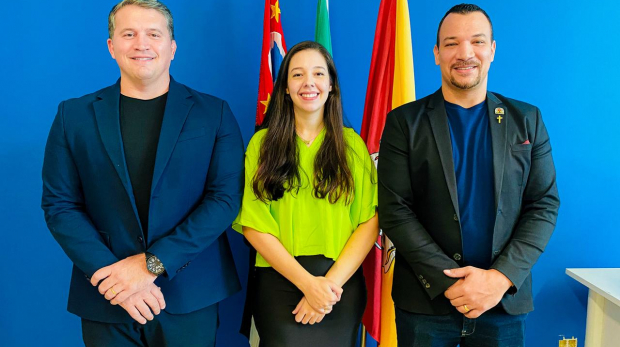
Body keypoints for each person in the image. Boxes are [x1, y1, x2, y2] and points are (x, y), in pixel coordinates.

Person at [41, 1, 244, 346]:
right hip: (107, 298)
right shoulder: (72, 116)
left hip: (189, 294)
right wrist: (117, 281)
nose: (141, 44)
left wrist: (151, 265)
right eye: (129, 34)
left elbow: (225, 199)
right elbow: (60, 206)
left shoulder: (214, 113)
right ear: (111, 46)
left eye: (153, 34)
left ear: (172, 46)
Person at [378, 4, 560, 346]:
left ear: (492, 50)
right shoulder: (404, 122)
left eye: (477, 41)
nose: (465, 54)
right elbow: (395, 210)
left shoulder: (527, 120)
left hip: (502, 302)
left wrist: (499, 279)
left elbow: (544, 205)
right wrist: (452, 283)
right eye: (451, 43)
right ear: (436, 53)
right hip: (426, 304)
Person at [233, 41, 379, 347]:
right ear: (285, 87)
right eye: (297, 75)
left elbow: (369, 223)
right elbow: (253, 225)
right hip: (279, 283)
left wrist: (326, 287)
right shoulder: (261, 145)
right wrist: (307, 285)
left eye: (318, 73)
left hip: (339, 287)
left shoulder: (353, 146)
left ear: (331, 85)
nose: (308, 82)